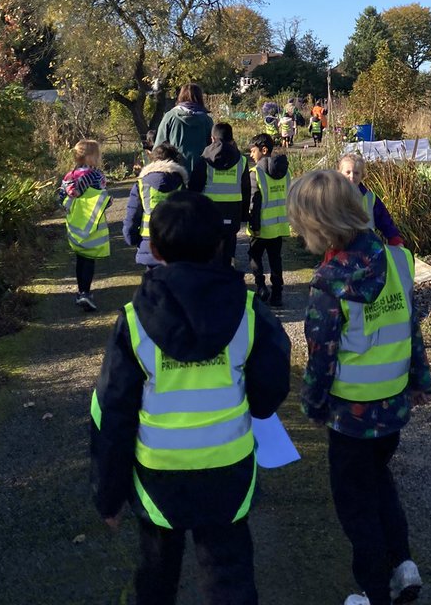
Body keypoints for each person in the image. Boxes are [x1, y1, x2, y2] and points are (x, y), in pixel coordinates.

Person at [91, 190, 291, 605]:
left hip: (157, 477)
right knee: (229, 579)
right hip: (228, 471)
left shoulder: (133, 321)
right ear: (220, 246)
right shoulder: (250, 311)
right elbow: (270, 389)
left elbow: (113, 412)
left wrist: (108, 495)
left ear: (157, 250)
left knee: (155, 577)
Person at [287, 169, 431, 605]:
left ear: (317, 228)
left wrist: (312, 406)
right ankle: (402, 565)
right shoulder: (399, 262)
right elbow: (411, 327)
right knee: (380, 482)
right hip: (392, 410)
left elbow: (322, 355)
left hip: (349, 417)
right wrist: (419, 380)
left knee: (355, 506)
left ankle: (372, 592)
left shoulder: (328, 284)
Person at [190, 122, 249, 266]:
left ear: (212, 138)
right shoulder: (242, 161)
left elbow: (194, 189)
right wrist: (245, 216)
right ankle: (227, 278)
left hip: (208, 213)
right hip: (232, 212)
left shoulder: (204, 160)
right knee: (228, 253)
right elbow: (247, 189)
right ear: (232, 139)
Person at [61, 138, 110, 312]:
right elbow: (104, 198)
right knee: (89, 259)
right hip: (92, 222)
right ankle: (85, 294)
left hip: (74, 222)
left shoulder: (69, 176)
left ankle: (81, 291)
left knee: (80, 257)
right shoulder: (96, 175)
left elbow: (61, 198)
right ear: (91, 157)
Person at [123, 144, 188, 268]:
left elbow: (132, 215)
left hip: (148, 241)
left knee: (153, 283)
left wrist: (130, 237)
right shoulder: (181, 183)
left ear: (153, 160)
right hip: (174, 241)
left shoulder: (141, 184)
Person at [246, 133, 291, 307]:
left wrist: (253, 225)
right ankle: (277, 293)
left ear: (263, 150)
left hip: (261, 227)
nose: (251, 155)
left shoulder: (256, 173)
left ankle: (261, 287)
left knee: (254, 255)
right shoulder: (286, 172)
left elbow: (254, 203)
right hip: (279, 226)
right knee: (275, 259)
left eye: (253, 151)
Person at [337, 153, 405, 247]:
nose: (352, 176)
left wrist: (395, 240)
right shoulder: (332, 197)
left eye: (356, 173)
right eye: (348, 172)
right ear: (339, 174)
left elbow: (385, 221)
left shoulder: (370, 198)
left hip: (366, 251)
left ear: (362, 175)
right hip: (340, 250)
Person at [154, 84, 214, 174]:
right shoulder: (207, 121)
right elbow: (213, 147)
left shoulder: (170, 117)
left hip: (175, 171)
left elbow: (159, 148)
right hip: (201, 172)